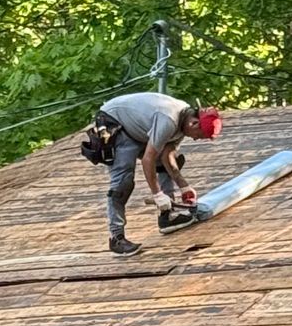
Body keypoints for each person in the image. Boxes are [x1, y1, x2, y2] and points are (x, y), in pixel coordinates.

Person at [93, 91, 224, 254]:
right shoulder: (169, 120)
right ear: (194, 124)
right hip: (115, 123)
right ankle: (116, 237)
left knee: (163, 164)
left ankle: (167, 216)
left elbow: (166, 155)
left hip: (137, 128)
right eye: (199, 136)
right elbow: (148, 159)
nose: (196, 139)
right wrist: (157, 194)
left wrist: (184, 186)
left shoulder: (184, 122)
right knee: (122, 183)